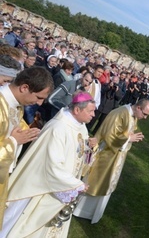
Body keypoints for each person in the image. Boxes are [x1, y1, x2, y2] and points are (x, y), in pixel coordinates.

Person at [0, 91, 97, 237]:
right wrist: (75, 185)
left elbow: (77, 153)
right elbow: (51, 166)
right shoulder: (57, 128)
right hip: (40, 189)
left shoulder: (80, 126)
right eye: (90, 111)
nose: (94, 115)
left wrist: (89, 148)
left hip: (61, 187)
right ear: (77, 110)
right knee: (23, 227)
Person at [73, 99, 149, 223]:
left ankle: (93, 213)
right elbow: (110, 135)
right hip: (106, 154)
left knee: (107, 182)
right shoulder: (120, 113)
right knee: (96, 180)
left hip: (116, 157)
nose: (145, 117)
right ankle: (80, 210)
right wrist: (128, 138)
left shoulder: (132, 115)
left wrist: (129, 138)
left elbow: (127, 131)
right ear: (138, 108)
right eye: (145, 114)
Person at [0, 66, 53, 230]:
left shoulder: (16, 104)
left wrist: (26, 132)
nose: (40, 103)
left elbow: (13, 126)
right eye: (38, 97)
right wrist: (14, 142)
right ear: (24, 87)